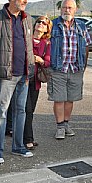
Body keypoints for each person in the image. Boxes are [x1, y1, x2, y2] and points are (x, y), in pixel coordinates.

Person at [0, 0, 36, 164]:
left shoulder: (27, 18)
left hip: (24, 73)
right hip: (6, 74)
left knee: (21, 111)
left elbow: (28, 44)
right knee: (1, 112)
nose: (25, 1)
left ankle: (18, 146)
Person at [49, 0, 91, 140]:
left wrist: (83, 65)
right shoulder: (53, 25)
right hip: (58, 68)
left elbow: (86, 46)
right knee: (59, 99)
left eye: (70, 8)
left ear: (75, 10)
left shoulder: (81, 26)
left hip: (75, 68)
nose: (67, 10)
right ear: (61, 9)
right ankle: (60, 126)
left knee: (70, 99)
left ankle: (66, 123)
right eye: (64, 7)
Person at [24, 15, 51, 149]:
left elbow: (47, 62)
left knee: (30, 110)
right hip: (23, 79)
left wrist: (39, 60)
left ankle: (27, 137)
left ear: (47, 29)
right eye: (39, 22)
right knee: (26, 109)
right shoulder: (26, 39)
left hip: (36, 81)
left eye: (44, 23)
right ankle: (28, 139)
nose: (41, 24)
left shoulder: (46, 44)